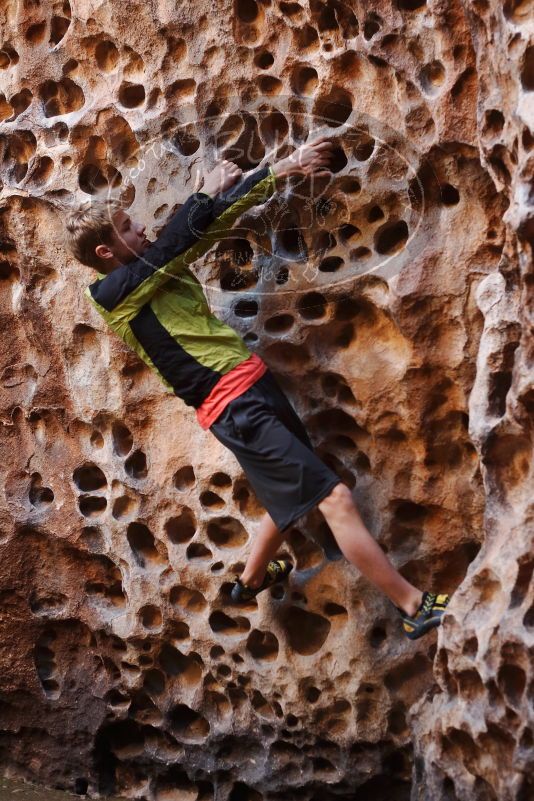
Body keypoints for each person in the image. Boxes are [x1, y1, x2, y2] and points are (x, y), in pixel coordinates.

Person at [64, 136, 450, 640]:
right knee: (333, 498)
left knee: (285, 491)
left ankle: (248, 582)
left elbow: (199, 233)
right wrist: (201, 195)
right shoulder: (115, 294)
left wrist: (281, 169)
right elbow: (177, 241)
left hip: (252, 387)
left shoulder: (152, 270)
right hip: (235, 408)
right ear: (105, 251)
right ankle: (412, 605)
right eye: (127, 228)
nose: (140, 226)